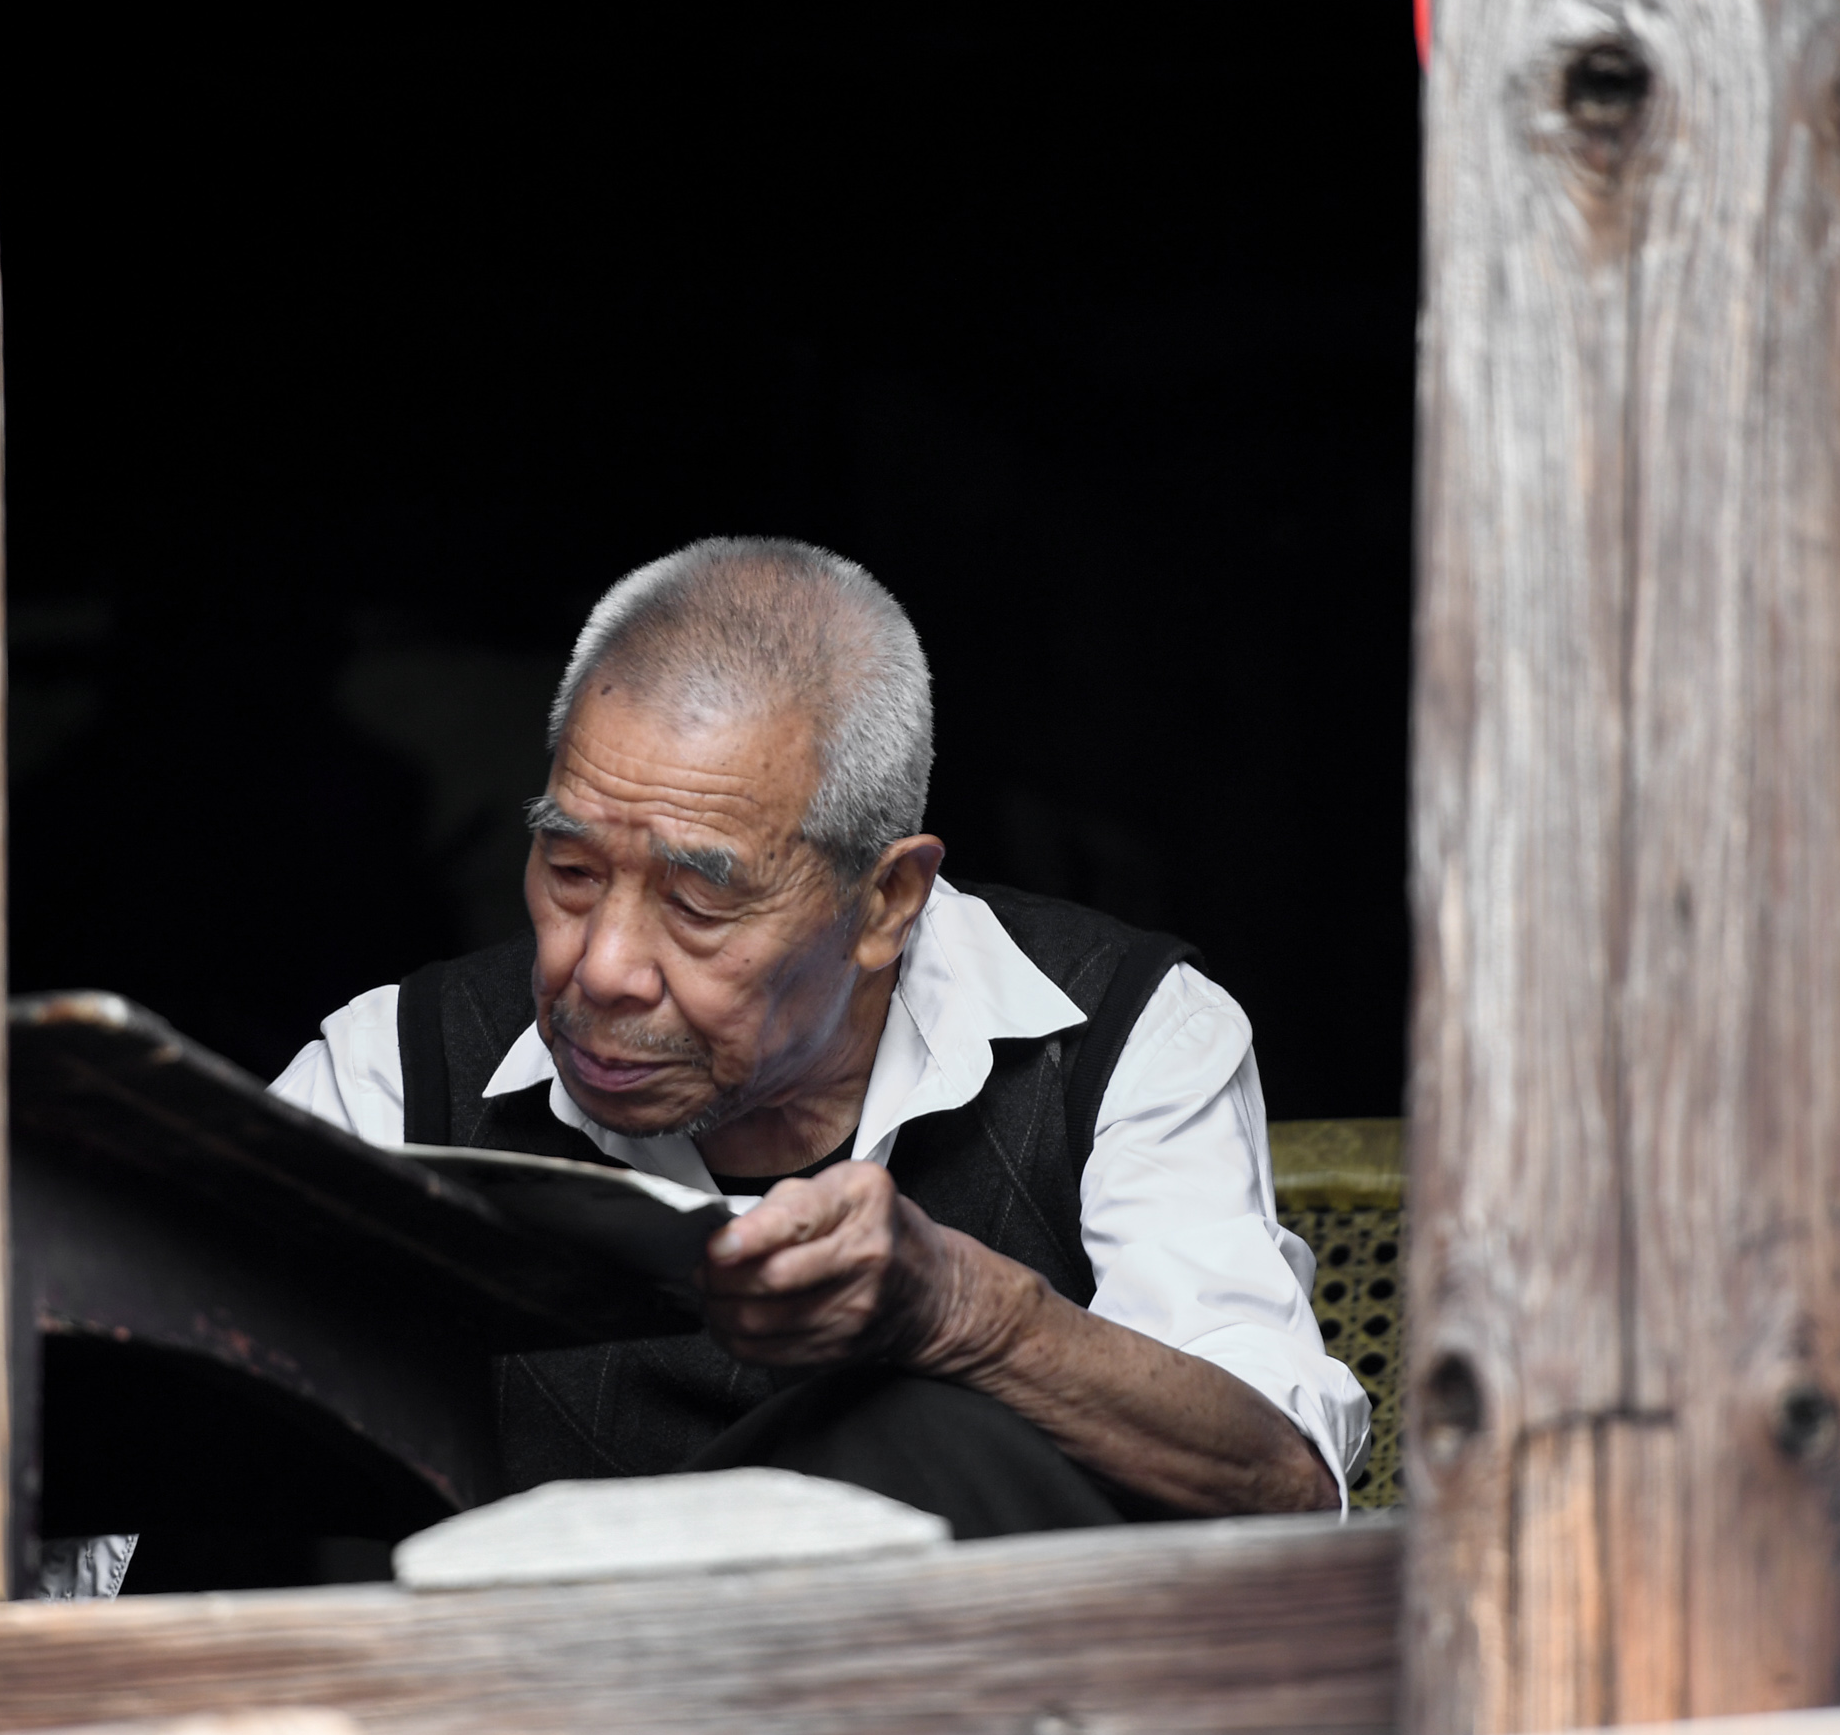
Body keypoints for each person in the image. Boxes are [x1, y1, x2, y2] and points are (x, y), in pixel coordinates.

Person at [274, 537, 1366, 1534]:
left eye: (698, 904)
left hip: (956, 1686)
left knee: (933, 1433)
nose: (602, 967)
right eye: (570, 870)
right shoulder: (397, 1071)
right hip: (513, 1685)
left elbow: (1283, 1482)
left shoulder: (1118, 1037)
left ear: (887, 901)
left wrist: (968, 1313)